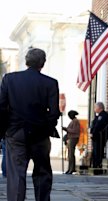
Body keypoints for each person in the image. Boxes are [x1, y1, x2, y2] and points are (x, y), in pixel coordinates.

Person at [0, 48, 60, 201]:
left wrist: (5, 131)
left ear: (26, 61)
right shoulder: (50, 83)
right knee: (42, 172)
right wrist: (46, 128)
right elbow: (54, 112)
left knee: (16, 175)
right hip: (40, 133)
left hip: (16, 132)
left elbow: (1, 107)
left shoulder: (9, 79)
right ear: (43, 63)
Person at [89, 102, 108, 169]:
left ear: (99, 108)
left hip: (99, 137)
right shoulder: (97, 116)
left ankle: (98, 164)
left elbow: (98, 126)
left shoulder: (103, 115)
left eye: (95, 107)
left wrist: (93, 133)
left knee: (98, 151)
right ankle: (94, 164)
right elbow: (94, 125)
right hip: (95, 137)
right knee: (95, 151)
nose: (94, 109)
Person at [62, 110, 80, 174]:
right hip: (71, 138)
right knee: (69, 154)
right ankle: (70, 168)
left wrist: (67, 129)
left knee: (71, 154)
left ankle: (71, 168)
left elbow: (75, 130)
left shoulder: (76, 121)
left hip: (73, 138)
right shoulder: (73, 121)